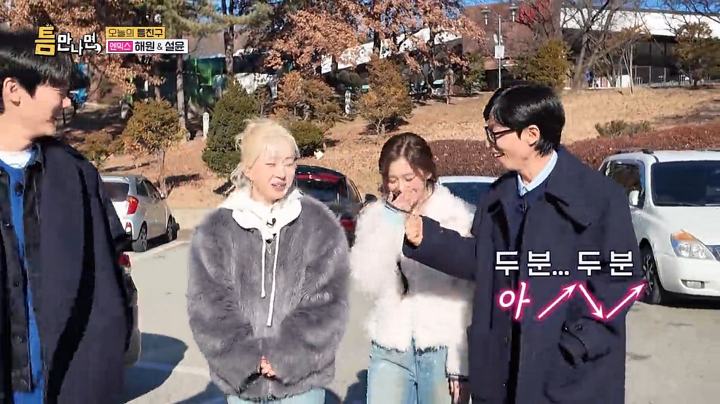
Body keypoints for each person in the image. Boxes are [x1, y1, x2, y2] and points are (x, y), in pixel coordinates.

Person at [399, 84, 642, 403]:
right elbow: (484, 261)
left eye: (495, 133)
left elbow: (621, 280)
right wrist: (428, 239)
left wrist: (575, 343)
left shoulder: (598, 197)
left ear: (531, 135)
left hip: (570, 377)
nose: (490, 145)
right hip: (501, 372)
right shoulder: (498, 198)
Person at [0, 29, 131, 402]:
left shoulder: (77, 176)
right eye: (58, 90)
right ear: (13, 90)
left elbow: (108, 288)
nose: (67, 102)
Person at [187, 118, 350, 404]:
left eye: (289, 163)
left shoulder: (319, 223)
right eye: (271, 163)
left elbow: (328, 301)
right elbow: (208, 304)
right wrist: (245, 357)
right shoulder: (216, 229)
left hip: (301, 383)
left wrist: (286, 355)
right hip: (243, 386)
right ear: (248, 169)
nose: (282, 173)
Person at [350, 132, 474, 404]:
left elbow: (467, 300)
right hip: (390, 346)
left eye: (409, 178)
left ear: (427, 172)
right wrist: (390, 224)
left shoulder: (457, 216)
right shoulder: (377, 216)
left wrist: (460, 364)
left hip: (441, 348)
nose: (401, 188)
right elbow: (366, 280)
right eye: (392, 180)